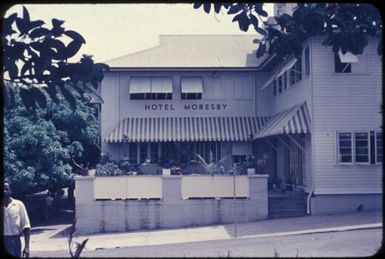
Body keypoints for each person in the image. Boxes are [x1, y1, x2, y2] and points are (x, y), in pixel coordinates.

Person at [3, 181, 31, 257]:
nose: (4, 191)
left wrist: (27, 246)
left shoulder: (19, 204)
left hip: (15, 241)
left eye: (6, 189)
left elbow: (26, 226)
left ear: (10, 191)